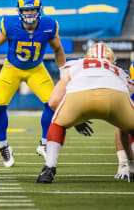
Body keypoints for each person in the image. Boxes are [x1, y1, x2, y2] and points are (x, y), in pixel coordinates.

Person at [0, 0, 66, 167]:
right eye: (26, 11)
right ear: (20, 12)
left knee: (52, 103)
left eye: (33, 10)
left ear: (39, 10)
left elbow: (58, 50)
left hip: (36, 69)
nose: (30, 14)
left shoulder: (49, 25)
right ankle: (4, 146)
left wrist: (64, 72)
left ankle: (44, 143)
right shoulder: (10, 24)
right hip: (12, 68)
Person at [36, 43, 134, 183]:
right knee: (129, 127)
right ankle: (131, 165)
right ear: (111, 59)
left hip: (79, 95)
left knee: (57, 123)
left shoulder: (74, 65)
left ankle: (49, 168)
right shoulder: (118, 70)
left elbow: (52, 102)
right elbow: (129, 91)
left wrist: (75, 119)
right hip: (114, 95)